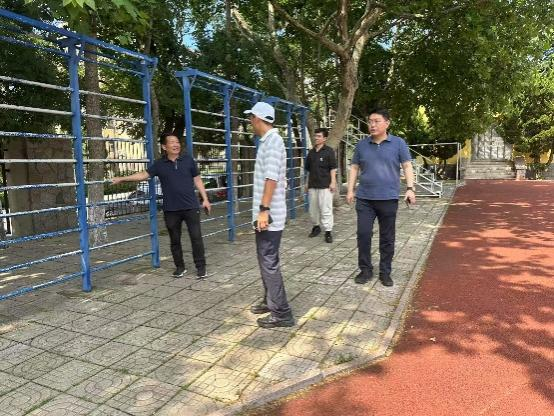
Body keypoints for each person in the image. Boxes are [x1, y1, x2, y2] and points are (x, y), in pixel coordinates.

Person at [112, 133, 211, 279]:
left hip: (191, 206)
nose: (176, 144)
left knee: (196, 238)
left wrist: (205, 199)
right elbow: (143, 175)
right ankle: (180, 267)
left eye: (177, 142)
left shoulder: (188, 160)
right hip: (171, 209)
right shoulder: (159, 164)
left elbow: (197, 180)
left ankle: (201, 268)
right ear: (164, 147)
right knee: (174, 240)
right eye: (172, 142)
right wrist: (122, 179)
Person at [346, 108, 416, 287]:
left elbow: (407, 166)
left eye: (376, 121)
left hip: (388, 198)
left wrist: (410, 188)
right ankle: (365, 270)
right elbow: (354, 167)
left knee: (387, 238)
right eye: (370, 121)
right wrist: (350, 190)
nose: (372, 125)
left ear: (387, 123)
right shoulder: (362, 145)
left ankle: (385, 272)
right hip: (365, 199)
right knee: (363, 234)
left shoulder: (398, 143)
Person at [245, 101, 294, 328]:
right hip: (266, 213)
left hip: (269, 214)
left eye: (251, 117)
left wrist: (264, 211)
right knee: (265, 260)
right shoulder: (268, 142)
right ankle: (270, 300)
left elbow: (271, 179)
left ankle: (282, 313)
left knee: (268, 261)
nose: (250, 122)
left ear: (258, 118)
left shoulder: (273, 142)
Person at [305, 128, 337, 243]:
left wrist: (333, 182)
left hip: (325, 185)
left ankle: (328, 231)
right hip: (312, 185)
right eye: (315, 136)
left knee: (326, 209)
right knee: (313, 210)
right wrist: (306, 183)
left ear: (324, 138)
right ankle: (316, 227)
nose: (316, 138)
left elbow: (333, 168)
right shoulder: (311, 152)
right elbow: (308, 170)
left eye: (319, 136)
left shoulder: (329, 151)